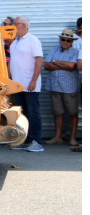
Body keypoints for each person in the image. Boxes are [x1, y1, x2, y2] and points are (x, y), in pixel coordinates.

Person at [9, 16, 44, 152]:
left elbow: (39, 60)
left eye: (15, 23)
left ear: (23, 25)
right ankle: (25, 140)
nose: (13, 26)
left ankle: (36, 142)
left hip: (30, 84)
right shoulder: (14, 42)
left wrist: (34, 80)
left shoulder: (32, 40)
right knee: (21, 114)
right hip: (18, 85)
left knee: (33, 113)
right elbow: (12, 62)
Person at [44, 30, 80, 146]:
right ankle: (58, 137)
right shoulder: (53, 50)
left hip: (70, 87)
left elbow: (71, 66)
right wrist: (62, 64)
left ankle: (73, 138)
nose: (65, 42)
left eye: (68, 40)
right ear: (60, 40)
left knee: (72, 112)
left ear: (72, 42)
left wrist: (55, 62)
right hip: (55, 86)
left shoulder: (75, 52)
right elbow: (47, 65)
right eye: (63, 39)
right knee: (57, 112)